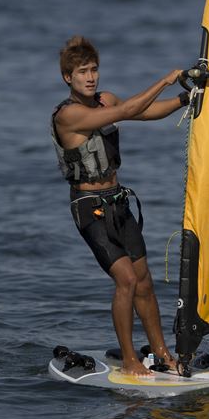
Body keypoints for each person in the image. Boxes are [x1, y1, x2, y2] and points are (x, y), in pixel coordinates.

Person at [50, 36, 189, 376]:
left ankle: (161, 354)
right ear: (68, 77)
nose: (91, 77)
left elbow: (144, 111)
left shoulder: (105, 101)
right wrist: (166, 79)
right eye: (82, 72)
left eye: (94, 69)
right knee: (125, 279)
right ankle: (129, 359)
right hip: (89, 208)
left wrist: (186, 97)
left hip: (118, 202)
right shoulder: (68, 115)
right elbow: (128, 110)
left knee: (144, 280)